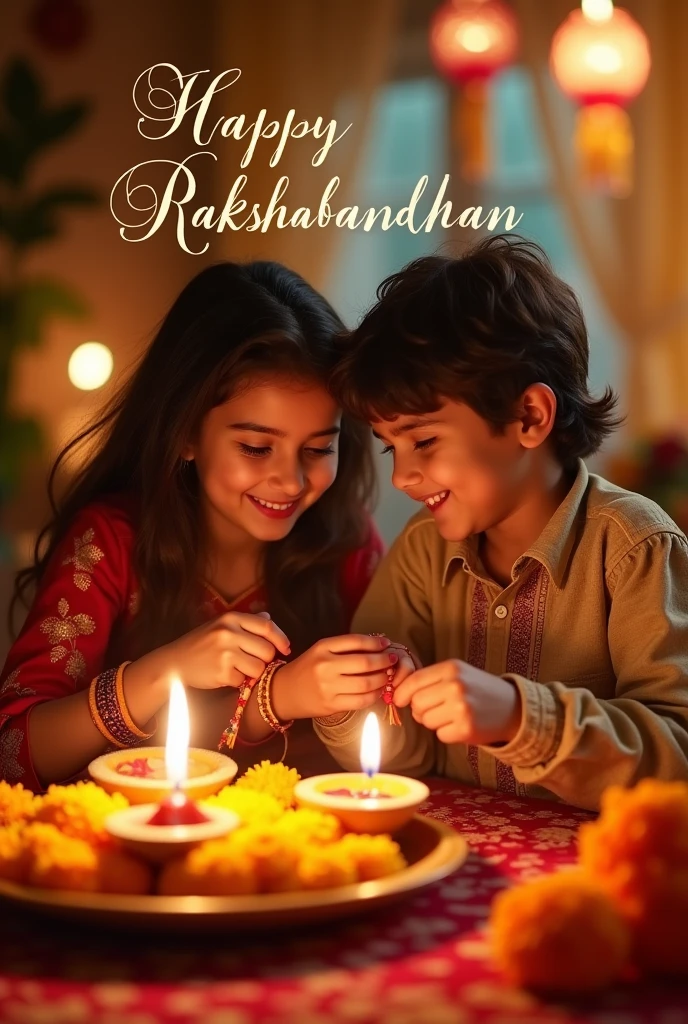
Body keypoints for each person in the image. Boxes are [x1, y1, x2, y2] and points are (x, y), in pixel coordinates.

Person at [314, 235, 688, 811]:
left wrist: (520, 716)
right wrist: (353, 700)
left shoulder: (634, 547)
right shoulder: (421, 553)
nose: (403, 478)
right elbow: (400, 756)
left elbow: (678, 759)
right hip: (456, 873)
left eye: (425, 440)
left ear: (528, 416)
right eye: (392, 448)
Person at [0, 260, 398, 791]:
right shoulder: (110, 542)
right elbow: (13, 752)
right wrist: (165, 671)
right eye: (256, 448)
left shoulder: (344, 543)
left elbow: (386, 743)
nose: (290, 481)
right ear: (185, 432)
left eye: (318, 448)